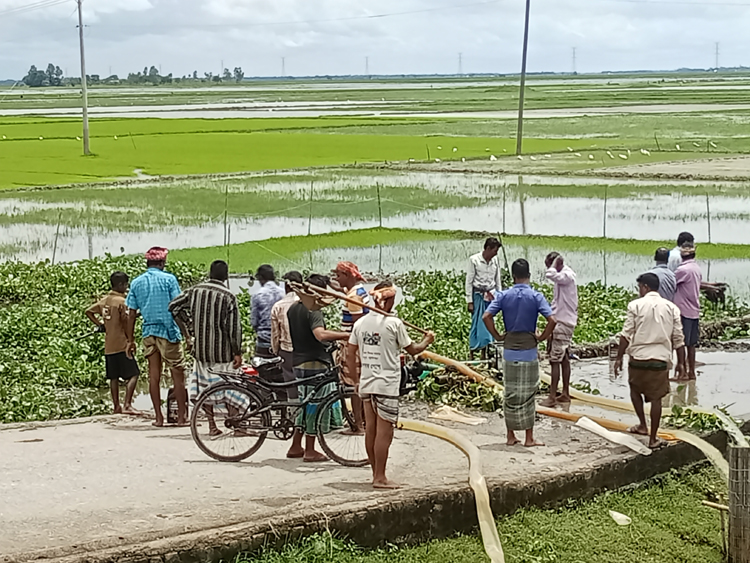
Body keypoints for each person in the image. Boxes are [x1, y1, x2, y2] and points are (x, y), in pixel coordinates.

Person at [347, 282, 435, 489]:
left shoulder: (360, 324)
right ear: (386, 302)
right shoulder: (393, 324)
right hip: (386, 385)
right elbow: (414, 350)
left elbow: (350, 353)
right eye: (393, 301)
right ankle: (380, 477)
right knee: (384, 433)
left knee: (371, 431)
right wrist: (427, 340)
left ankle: (375, 473)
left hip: (367, 383)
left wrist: (355, 380)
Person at [483, 259, 556, 447]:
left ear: (514, 276)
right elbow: (552, 320)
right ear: (528, 276)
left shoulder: (503, 295)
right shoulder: (536, 296)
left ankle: (510, 436)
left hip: (509, 351)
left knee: (511, 394)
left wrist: (498, 336)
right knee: (529, 395)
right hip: (529, 351)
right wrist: (541, 338)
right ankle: (529, 438)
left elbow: (487, 316)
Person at [169, 260, 243, 436]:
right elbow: (234, 329)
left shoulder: (195, 291)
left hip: (201, 352)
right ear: (226, 276)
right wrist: (237, 351)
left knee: (205, 388)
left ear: (210, 273)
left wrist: (189, 325)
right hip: (223, 353)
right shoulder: (228, 296)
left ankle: (212, 426)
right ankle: (237, 426)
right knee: (230, 388)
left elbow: (173, 307)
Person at [614, 273, 685, 449]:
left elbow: (626, 334)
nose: (639, 291)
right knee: (656, 399)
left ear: (645, 287)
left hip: (638, 358)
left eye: (639, 287)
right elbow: (678, 339)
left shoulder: (635, 306)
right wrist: (681, 363)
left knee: (635, 390)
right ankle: (653, 437)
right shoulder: (671, 308)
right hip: (660, 361)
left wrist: (618, 357)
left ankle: (642, 425)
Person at [286, 274, 350, 462]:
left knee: (304, 405)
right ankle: (310, 450)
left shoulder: (293, 309)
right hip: (315, 363)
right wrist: (344, 335)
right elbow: (320, 335)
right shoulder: (312, 310)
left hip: (298, 361)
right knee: (315, 405)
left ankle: (296, 445)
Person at [125, 247, 187, 427]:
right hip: (168, 331)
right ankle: (182, 417)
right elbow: (177, 308)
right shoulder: (169, 280)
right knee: (178, 373)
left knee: (154, 376)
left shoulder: (137, 283)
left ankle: (159, 418)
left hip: (148, 332)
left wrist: (130, 340)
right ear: (162, 263)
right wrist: (186, 333)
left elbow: (131, 314)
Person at [86, 271, 140, 415]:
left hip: (109, 345)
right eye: (126, 284)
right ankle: (127, 404)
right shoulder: (122, 302)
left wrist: (101, 325)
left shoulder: (105, 300)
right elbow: (127, 322)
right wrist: (131, 340)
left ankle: (116, 406)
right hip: (122, 344)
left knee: (113, 377)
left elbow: (89, 311)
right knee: (134, 374)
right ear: (122, 285)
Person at [333, 260, 371, 434]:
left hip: (354, 347)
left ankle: (358, 424)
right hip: (360, 346)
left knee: (355, 385)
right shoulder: (359, 291)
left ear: (347, 276)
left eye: (339, 275)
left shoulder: (353, 297)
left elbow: (358, 326)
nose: (336, 278)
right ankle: (362, 421)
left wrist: (351, 350)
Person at [540, 252, 578, 408]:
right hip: (564, 321)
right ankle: (565, 393)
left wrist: (554, 265)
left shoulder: (566, 276)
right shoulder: (565, 276)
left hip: (562, 322)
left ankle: (552, 397)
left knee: (554, 360)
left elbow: (550, 275)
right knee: (564, 358)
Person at [466, 237, 503, 360]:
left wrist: (500, 298)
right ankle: (472, 352)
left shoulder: (495, 261)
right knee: (477, 324)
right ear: (488, 248)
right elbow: (469, 281)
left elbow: (498, 280)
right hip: (478, 296)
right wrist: (469, 301)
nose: (495, 254)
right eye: (494, 251)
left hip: (490, 296)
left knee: (488, 323)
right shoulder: (474, 260)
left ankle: (484, 353)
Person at [270, 271, 303, 402]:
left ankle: (293, 412)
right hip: (304, 350)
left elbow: (275, 334)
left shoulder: (278, 306)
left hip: (287, 350)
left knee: (290, 383)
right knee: (306, 382)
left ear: (287, 286)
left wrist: (276, 350)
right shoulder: (306, 304)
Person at [673, 243, 702, 381]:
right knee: (691, 344)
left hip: (683, 310)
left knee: (680, 343)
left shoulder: (682, 270)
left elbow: (672, 284)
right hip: (694, 310)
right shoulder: (696, 268)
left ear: (681, 256)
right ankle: (691, 372)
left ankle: (682, 372)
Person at [251, 264, 285, 358]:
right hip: (282, 341)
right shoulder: (283, 293)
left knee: (263, 370)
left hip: (264, 340)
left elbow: (254, 322)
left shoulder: (257, 295)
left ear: (261, 278)